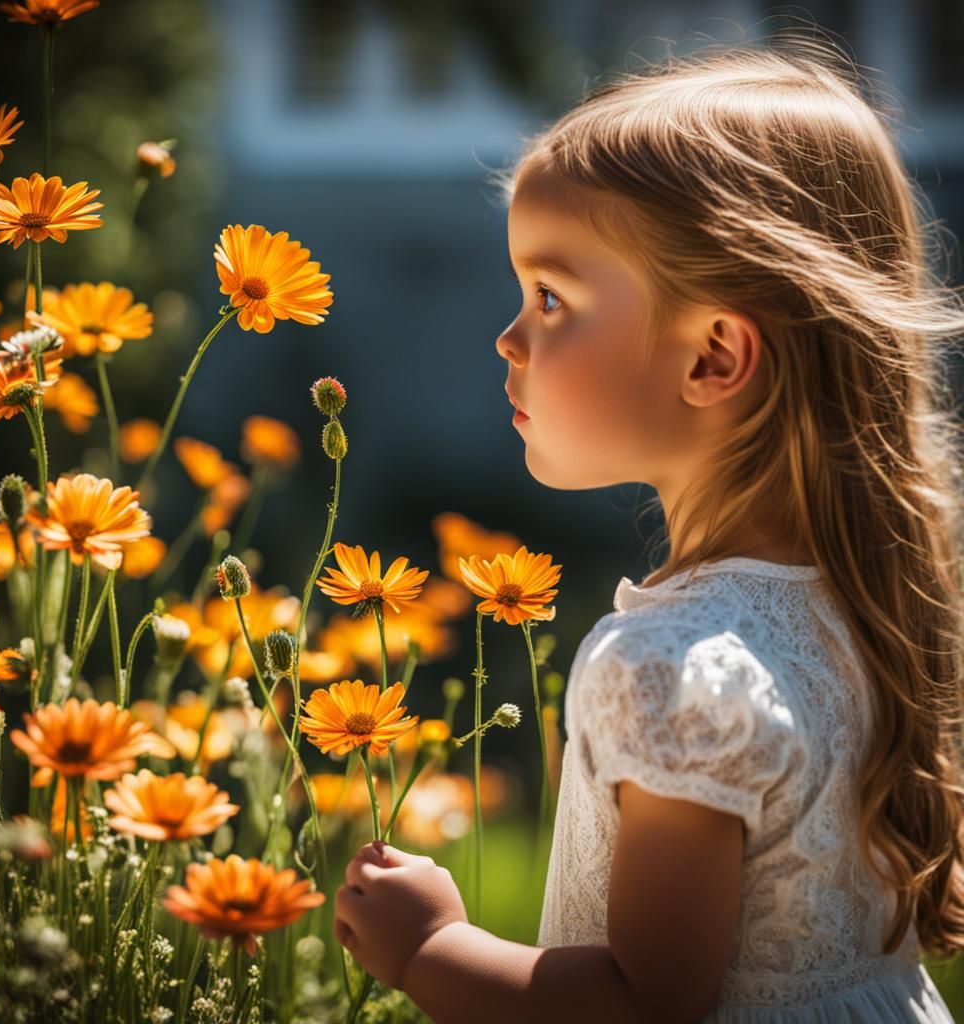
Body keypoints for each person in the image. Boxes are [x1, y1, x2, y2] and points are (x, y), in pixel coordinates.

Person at [333, 32, 964, 1023]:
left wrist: (431, 949)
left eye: (550, 297)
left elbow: (643, 1003)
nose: (507, 336)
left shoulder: (667, 666)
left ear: (713, 356)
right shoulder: (868, 600)